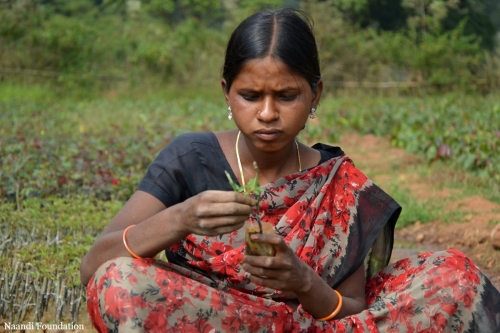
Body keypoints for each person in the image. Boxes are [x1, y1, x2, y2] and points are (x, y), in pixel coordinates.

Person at [80, 8, 500, 333]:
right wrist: (181, 217)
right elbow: (94, 266)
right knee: (119, 281)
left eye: (286, 96)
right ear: (226, 92)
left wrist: (301, 279)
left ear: (315, 95)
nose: (267, 114)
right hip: (212, 320)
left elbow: (347, 310)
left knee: (454, 278)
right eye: (249, 95)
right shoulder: (190, 157)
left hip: (315, 323)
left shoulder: (339, 184)